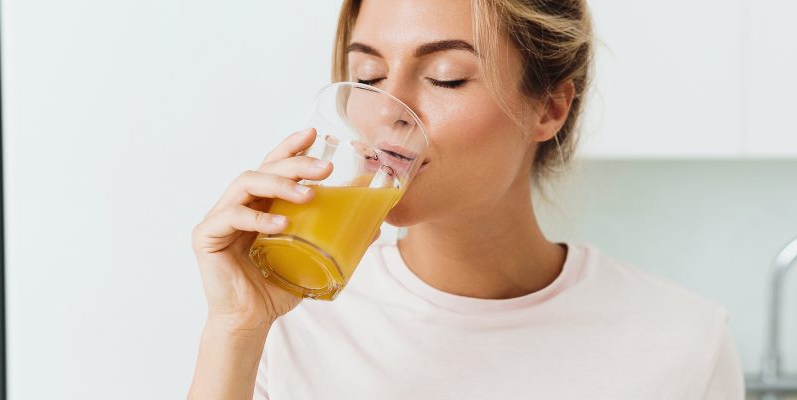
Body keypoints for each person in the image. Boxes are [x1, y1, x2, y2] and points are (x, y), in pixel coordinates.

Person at [187, 0, 745, 398]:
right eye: (369, 75)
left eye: (446, 77)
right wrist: (235, 328)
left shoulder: (682, 342)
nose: (388, 111)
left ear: (549, 108)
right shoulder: (288, 322)